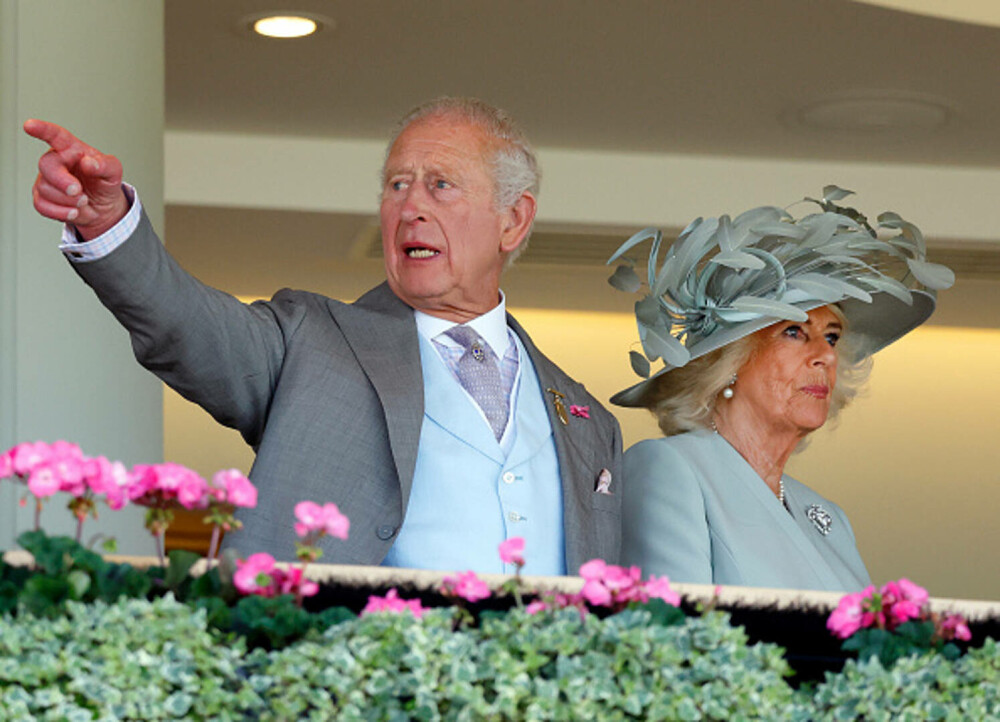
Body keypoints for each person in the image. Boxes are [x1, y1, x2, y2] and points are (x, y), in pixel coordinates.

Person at [24, 97, 623, 575]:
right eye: (396, 185)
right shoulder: (311, 342)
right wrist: (107, 226)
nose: (410, 205)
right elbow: (188, 326)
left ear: (513, 220)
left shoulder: (591, 421)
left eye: (440, 184)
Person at [607, 189, 953, 591]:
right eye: (795, 332)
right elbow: (670, 635)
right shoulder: (670, 469)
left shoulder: (827, 515)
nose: (825, 354)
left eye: (833, 336)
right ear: (729, 362)